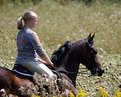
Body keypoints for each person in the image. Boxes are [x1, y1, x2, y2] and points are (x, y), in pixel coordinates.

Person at [15, 11, 54, 78]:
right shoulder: (31, 34)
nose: (36, 23)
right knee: (51, 77)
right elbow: (40, 51)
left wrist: (41, 61)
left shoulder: (20, 32)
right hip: (29, 62)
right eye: (35, 21)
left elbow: (26, 51)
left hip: (18, 61)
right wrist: (49, 62)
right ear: (30, 21)